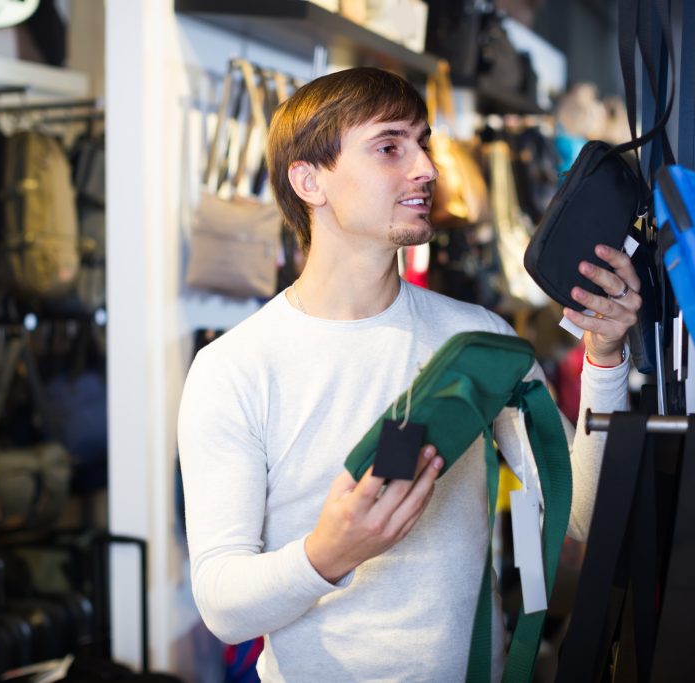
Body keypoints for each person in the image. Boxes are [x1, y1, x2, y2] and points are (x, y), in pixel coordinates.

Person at [177, 67, 642, 682]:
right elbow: (221, 605)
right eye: (390, 147)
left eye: (423, 143)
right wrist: (328, 554)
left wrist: (605, 357)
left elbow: (580, 513)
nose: (426, 168)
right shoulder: (234, 368)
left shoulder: (478, 341)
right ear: (308, 179)